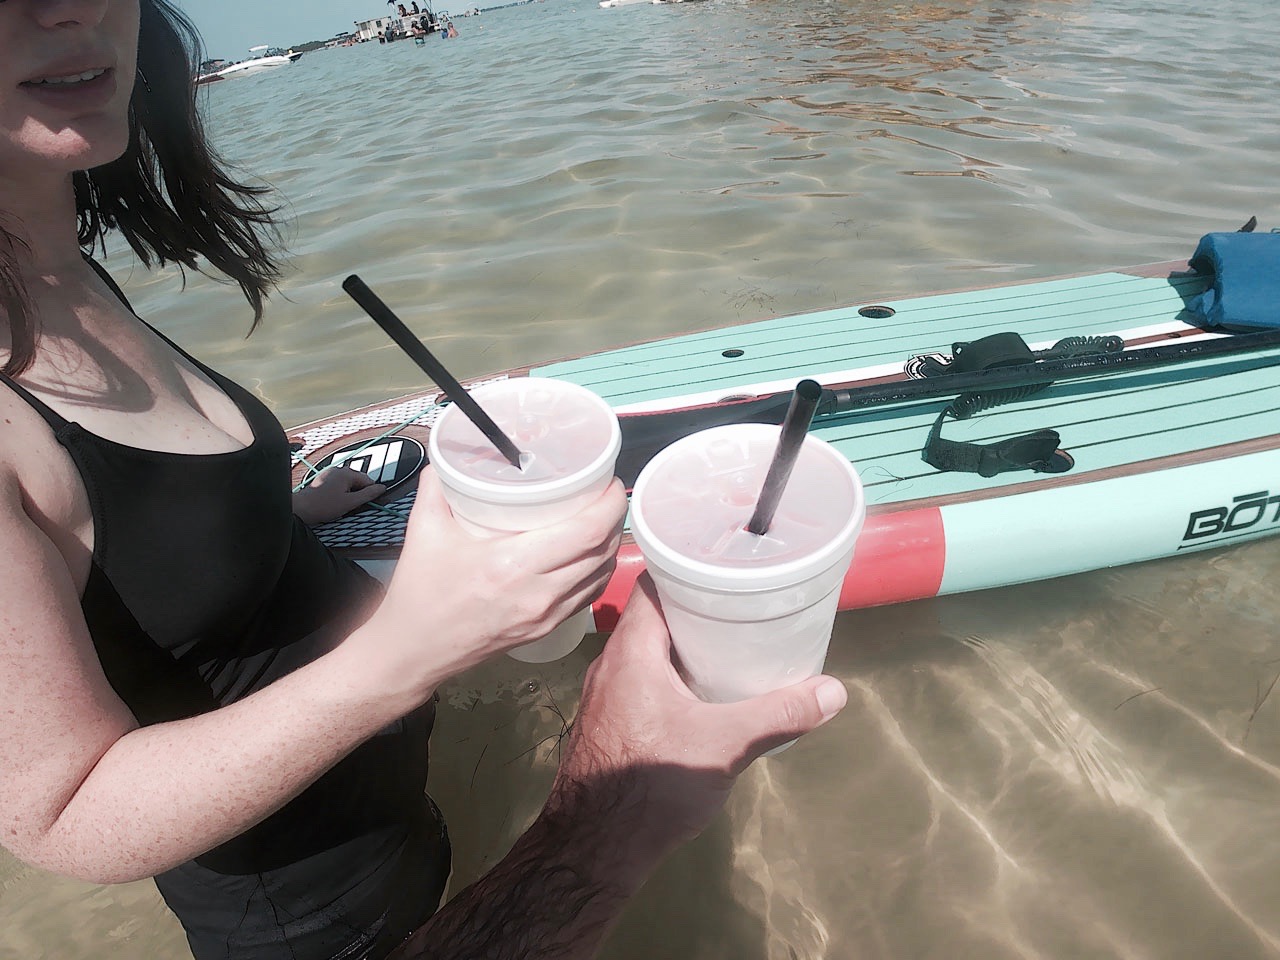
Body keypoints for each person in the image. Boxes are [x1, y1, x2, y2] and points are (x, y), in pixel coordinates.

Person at [0, 2, 848, 959]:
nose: (66, 4)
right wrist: (414, 650)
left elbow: (116, 548)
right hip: (314, 924)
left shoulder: (57, 273)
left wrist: (273, 515)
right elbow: (62, 817)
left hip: (397, 817)